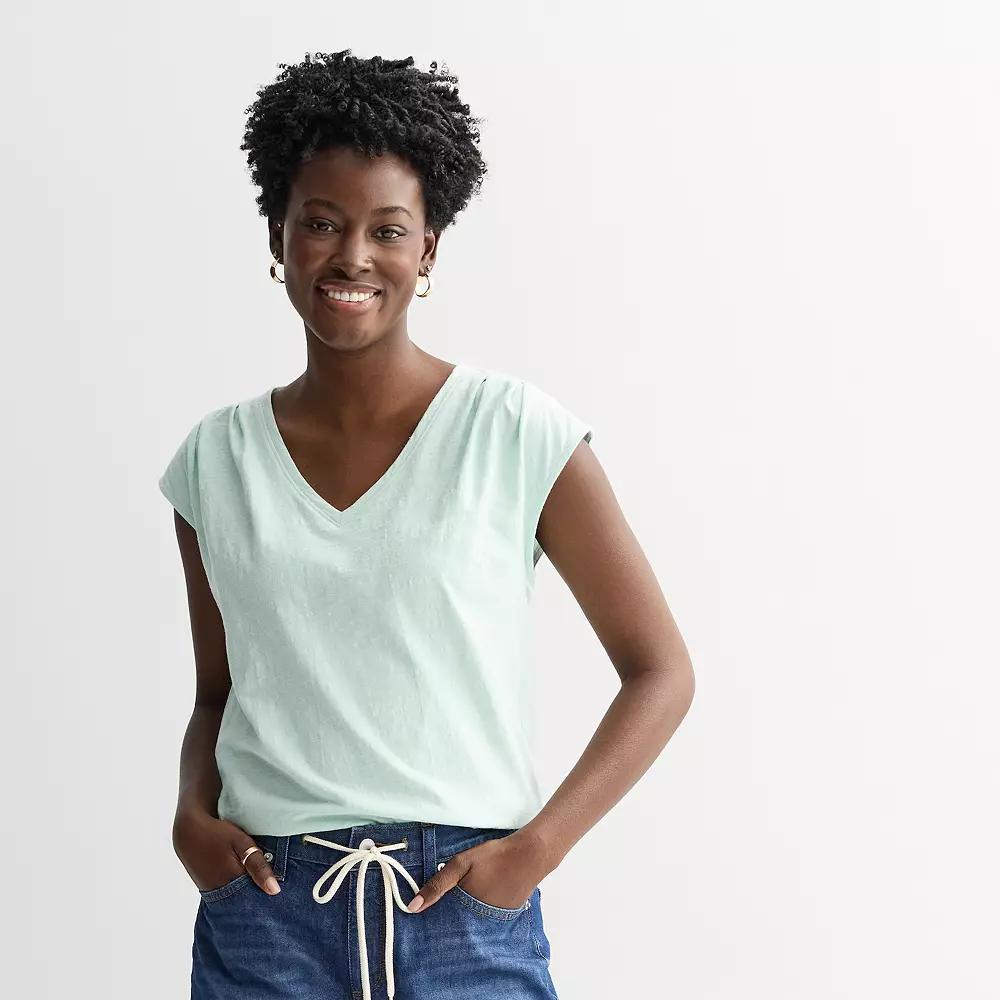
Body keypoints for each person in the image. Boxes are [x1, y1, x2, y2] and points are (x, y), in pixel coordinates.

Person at [159, 49, 695, 1000]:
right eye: (322, 223)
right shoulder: (216, 458)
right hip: (267, 918)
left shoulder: (515, 432)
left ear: (429, 250)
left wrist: (535, 851)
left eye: (387, 230)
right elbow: (218, 692)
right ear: (279, 236)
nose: (352, 257)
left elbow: (660, 671)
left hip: (462, 919)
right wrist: (187, 818)